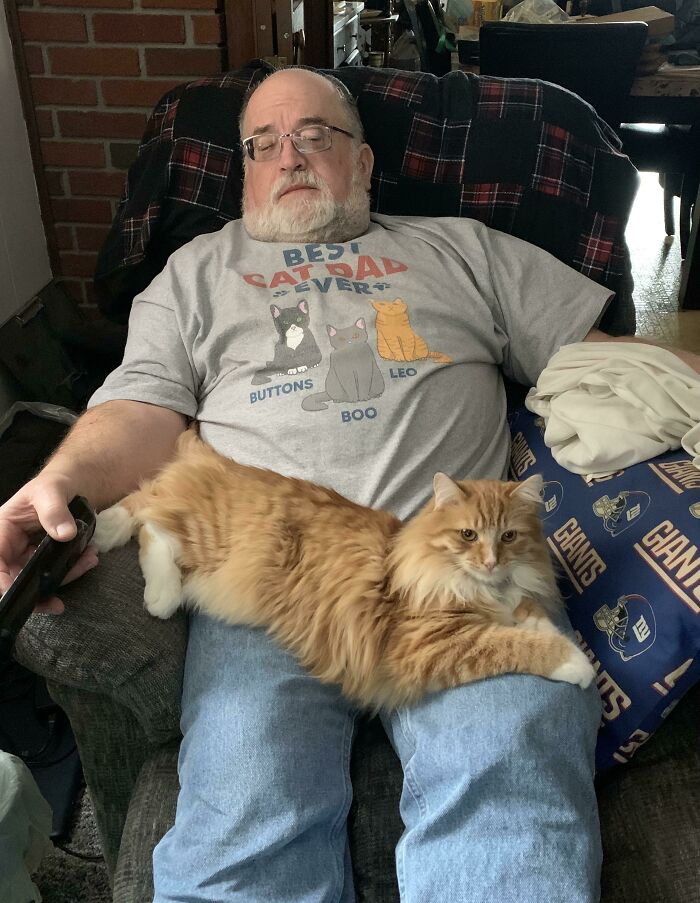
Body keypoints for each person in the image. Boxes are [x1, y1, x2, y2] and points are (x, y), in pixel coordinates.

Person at [1, 67, 698, 903]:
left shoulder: (462, 248)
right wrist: (61, 481)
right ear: (245, 170)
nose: (288, 156)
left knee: (509, 780)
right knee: (245, 810)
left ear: (363, 164)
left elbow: (610, 363)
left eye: (315, 136)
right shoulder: (196, 272)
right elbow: (139, 409)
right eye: (264, 144)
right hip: (272, 578)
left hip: (460, 572)